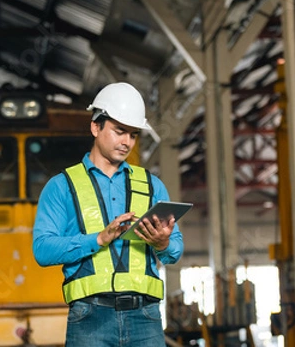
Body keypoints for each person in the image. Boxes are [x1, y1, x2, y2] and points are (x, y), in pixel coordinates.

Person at [32, 82, 184, 347]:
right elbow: (42, 249)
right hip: (90, 317)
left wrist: (163, 243)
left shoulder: (152, 185)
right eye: (119, 131)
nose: (126, 142)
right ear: (95, 127)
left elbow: (175, 250)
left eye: (133, 134)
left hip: (145, 317)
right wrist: (99, 239)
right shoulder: (61, 186)